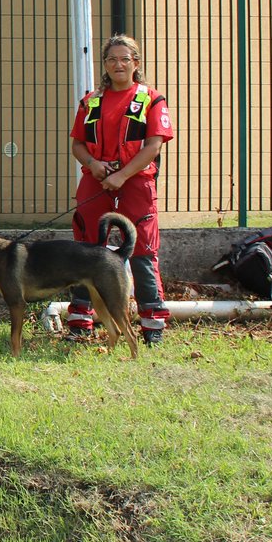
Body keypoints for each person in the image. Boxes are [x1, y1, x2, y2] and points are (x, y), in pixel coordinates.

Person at [67, 34, 174, 345]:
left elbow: (153, 146)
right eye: (112, 59)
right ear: (105, 64)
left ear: (136, 64)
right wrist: (94, 164)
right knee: (87, 250)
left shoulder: (151, 100)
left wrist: (122, 175)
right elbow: (77, 144)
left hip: (136, 182)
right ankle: (80, 321)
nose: (118, 64)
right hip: (96, 181)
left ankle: (152, 326)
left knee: (142, 251)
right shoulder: (90, 101)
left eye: (125, 59)